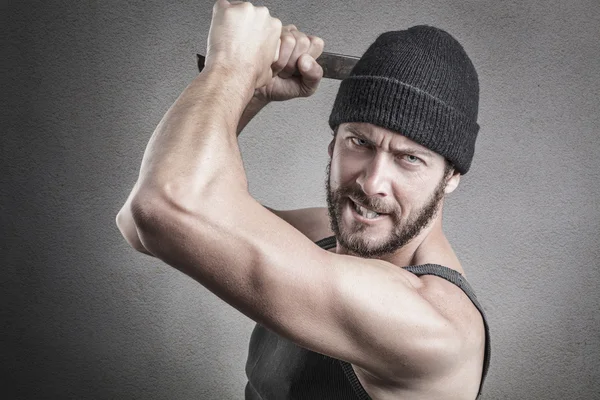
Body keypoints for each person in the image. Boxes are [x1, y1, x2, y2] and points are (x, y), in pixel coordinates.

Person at [116, 0, 491, 398]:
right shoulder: (321, 234)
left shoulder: (433, 328)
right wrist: (251, 92)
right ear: (333, 145)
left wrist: (230, 69)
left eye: (410, 159)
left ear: (451, 177)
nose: (372, 182)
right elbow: (143, 225)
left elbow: (164, 205)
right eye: (359, 142)